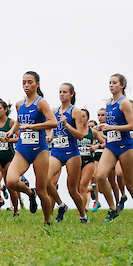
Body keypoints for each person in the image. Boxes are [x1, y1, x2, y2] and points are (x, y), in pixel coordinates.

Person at [5, 72, 57, 225]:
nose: (26, 85)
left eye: (30, 82)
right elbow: (19, 121)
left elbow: (53, 122)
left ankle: (47, 222)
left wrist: (33, 126)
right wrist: (11, 131)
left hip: (39, 150)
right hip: (22, 150)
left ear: (37, 84)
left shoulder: (41, 103)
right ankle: (29, 193)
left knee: (42, 190)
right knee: (11, 182)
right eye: (24, 82)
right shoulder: (19, 104)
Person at [95, 74, 133, 223]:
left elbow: (131, 125)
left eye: (114, 83)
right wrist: (103, 127)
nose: (111, 85)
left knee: (130, 183)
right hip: (111, 146)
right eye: (110, 82)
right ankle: (112, 209)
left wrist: (111, 127)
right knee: (99, 176)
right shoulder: (109, 103)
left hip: (125, 146)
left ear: (122, 85)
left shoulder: (124, 103)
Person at [44, 83, 89, 223]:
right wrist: (50, 135)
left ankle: (83, 216)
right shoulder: (54, 110)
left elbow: (80, 135)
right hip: (56, 151)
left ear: (72, 94)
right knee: (45, 180)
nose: (62, 94)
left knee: (72, 189)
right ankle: (61, 205)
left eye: (64, 92)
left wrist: (66, 124)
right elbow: (51, 126)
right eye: (60, 92)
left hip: (71, 152)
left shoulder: (75, 111)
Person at [78, 108, 105, 214]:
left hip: (89, 159)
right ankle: (91, 189)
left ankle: (82, 211)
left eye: (83, 116)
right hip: (76, 160)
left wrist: (96, 147)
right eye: (79, 117)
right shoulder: (74, 131)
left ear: (88, 118)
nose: (81, 119)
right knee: (75, 188)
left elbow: (104, 143)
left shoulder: (92, 132)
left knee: (82, 186)